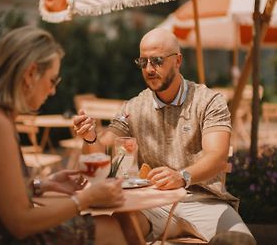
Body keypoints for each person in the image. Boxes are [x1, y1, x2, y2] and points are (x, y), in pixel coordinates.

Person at [74, 28, 254, 243]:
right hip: (152, 203)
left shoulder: (208, 101)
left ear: (178, 61)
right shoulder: (133, 107)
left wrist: (182, 177)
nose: (149, 69)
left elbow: (217, 157)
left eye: (157, 61)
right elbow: (101, 151)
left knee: (242, 242)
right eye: (143, 62)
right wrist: (90, 137)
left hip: (205, 201)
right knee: (101, 231)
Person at [0, 26, 127, 245]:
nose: (53, 91)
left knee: (115, 225)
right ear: (30, 74)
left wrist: (43, 184)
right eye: (52, 80)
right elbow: (19, 223)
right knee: (110, 228)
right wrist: (86, 199)